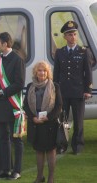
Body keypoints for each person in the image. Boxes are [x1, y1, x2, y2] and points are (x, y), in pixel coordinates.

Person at [0, 32, 25, 180]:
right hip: (0, 104)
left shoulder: (17, 59)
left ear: (5, 44)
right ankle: (4, 169)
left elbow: (19, 83)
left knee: (16, 139)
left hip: (13, 104)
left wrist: (1, 92)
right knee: (2, 138)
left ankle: (17, 170)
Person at [53, 21, 93, 155]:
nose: (73, 37)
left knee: (78, 121)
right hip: (63, 92)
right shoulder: (60, 52)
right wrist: (54, 90)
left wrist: (88, 90)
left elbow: (88, 72)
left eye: (75, 34)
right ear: (65, 37)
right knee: (61, 120)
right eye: (70, 35)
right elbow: (56, 73)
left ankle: (78, 146)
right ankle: (61, 145)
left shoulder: (83, 52)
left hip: (78, 92)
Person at [24, 61, 63, 183]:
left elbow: (59, 106)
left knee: (51, 150)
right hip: (36, 123)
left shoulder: (54, 86)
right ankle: (39, 177)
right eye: (40, 70)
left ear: (48, 73)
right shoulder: (30, 86)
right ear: (36, 72)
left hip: (50, 123)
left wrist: (48, 117)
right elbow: (25, 105)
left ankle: (51, 178)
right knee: (39, 150)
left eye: (45, 70)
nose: (42, 72)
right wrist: (33, 118)